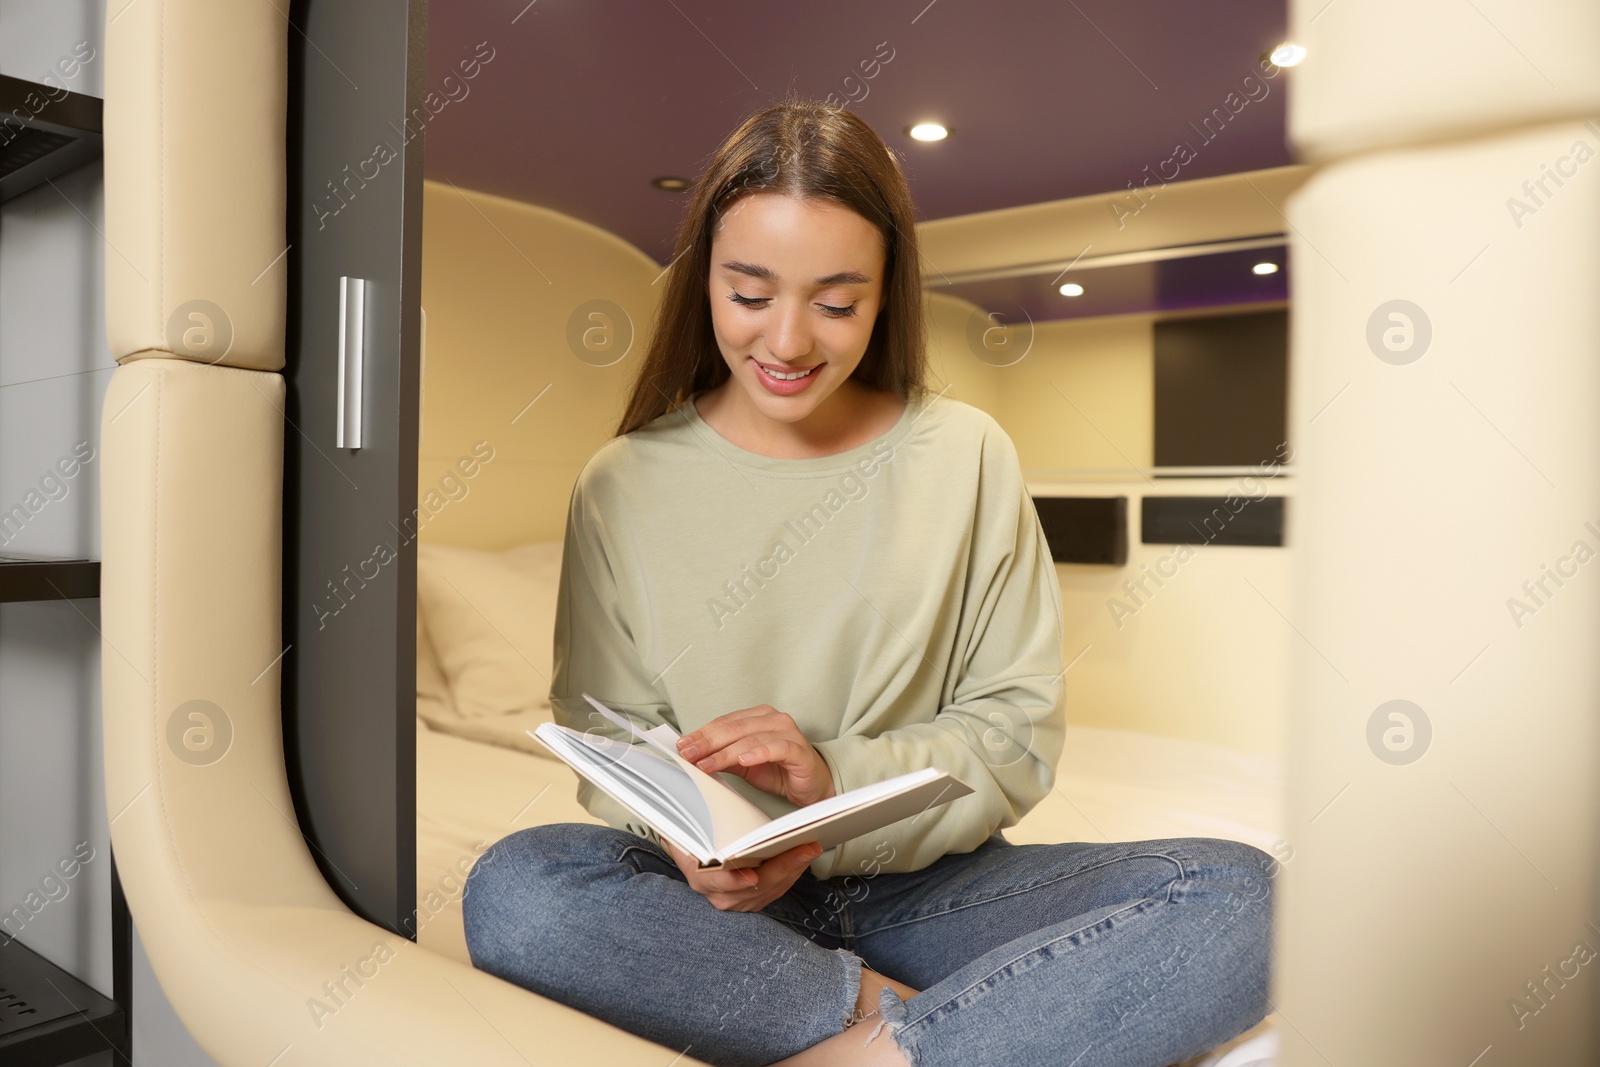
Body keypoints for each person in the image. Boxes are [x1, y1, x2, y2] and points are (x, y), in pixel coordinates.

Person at [461, 98, 1273, 1067]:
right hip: (704, 909)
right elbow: (610, 741)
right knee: (519, 886)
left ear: (886, 294)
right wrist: (696, 842)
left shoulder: (965, 454)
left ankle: (873, 1045)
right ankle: (907, 1018)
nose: (790, 341)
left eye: (836, 302)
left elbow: (1013, 730)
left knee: (1244, 898)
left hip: (928, 889)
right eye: (750, 295)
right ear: (702, 284)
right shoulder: (622, 483)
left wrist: (833, 777)